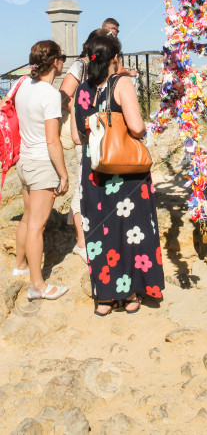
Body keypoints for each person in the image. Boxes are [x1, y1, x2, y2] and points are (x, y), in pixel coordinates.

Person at [71, 33, 164, 316]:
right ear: (115, 59)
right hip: (124, 171)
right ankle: (131, 294)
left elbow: (77, 138)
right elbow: (136, 127)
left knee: (99, 231)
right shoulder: (121, 83)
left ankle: (105, 297)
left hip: (95, 168)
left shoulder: (82, 89)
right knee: (131, 229)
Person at [12, 40, 69, 300]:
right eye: (62, 58)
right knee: (37, 225)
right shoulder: (49, 94)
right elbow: (52, 140)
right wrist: (63, 174)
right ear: (55, 62)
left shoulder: (22, 84)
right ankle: (37, 285)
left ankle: (20, 265)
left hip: (23, 162)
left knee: (27, 218)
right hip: (41, 164)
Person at [59, 29, 108, 263]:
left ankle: (91, 233)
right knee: (81, 187)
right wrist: (77, 112)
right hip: (85, 136)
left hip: (97, 137)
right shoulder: (81, 66)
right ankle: (81, 242)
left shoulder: (101, 69)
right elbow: (64, 95)